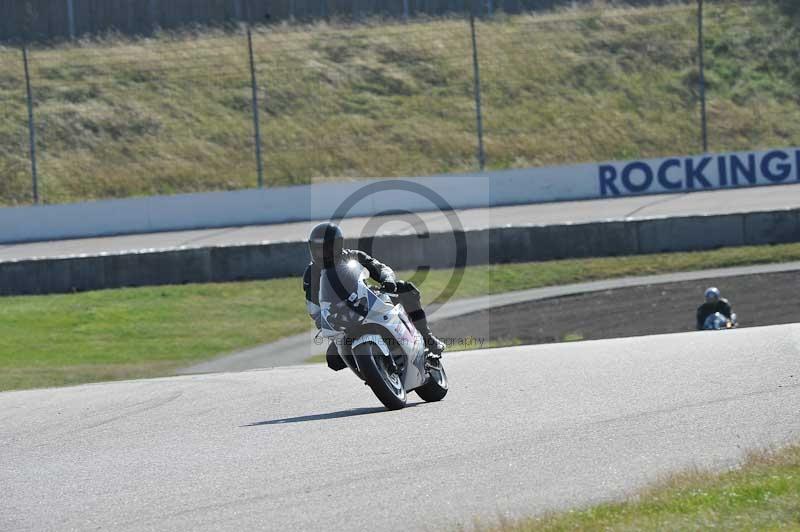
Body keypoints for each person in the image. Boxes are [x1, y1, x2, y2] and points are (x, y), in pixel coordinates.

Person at [302, 222, 446, 371]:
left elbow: (379, 267)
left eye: (329, 248)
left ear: (339, 245)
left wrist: (388, 280)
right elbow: (313, 308)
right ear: (312, 249)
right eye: (319, 249)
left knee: (406, 289)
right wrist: (323, 320)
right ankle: (371, 368)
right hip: (341, 318)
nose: (324, 254)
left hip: (368, 301)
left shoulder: (354, 256)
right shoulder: (311, 274)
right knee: (333, 360)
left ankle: (427, 338)